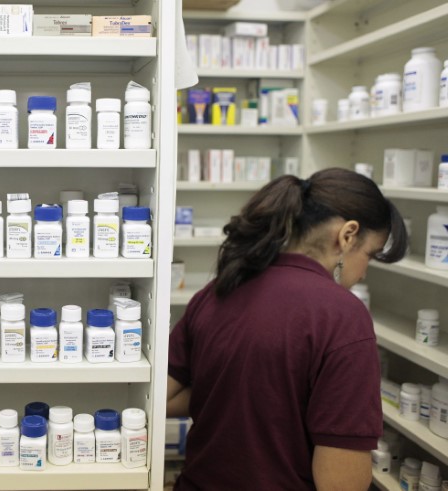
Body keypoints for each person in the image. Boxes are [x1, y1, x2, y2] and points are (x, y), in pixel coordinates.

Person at [166, 168, 408, 490]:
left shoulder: (216, 291)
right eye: (370, 255)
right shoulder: (342, 315)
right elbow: (340, 485)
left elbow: (164, 398)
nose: (364, 272)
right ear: (347, 235)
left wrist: (243, 391)